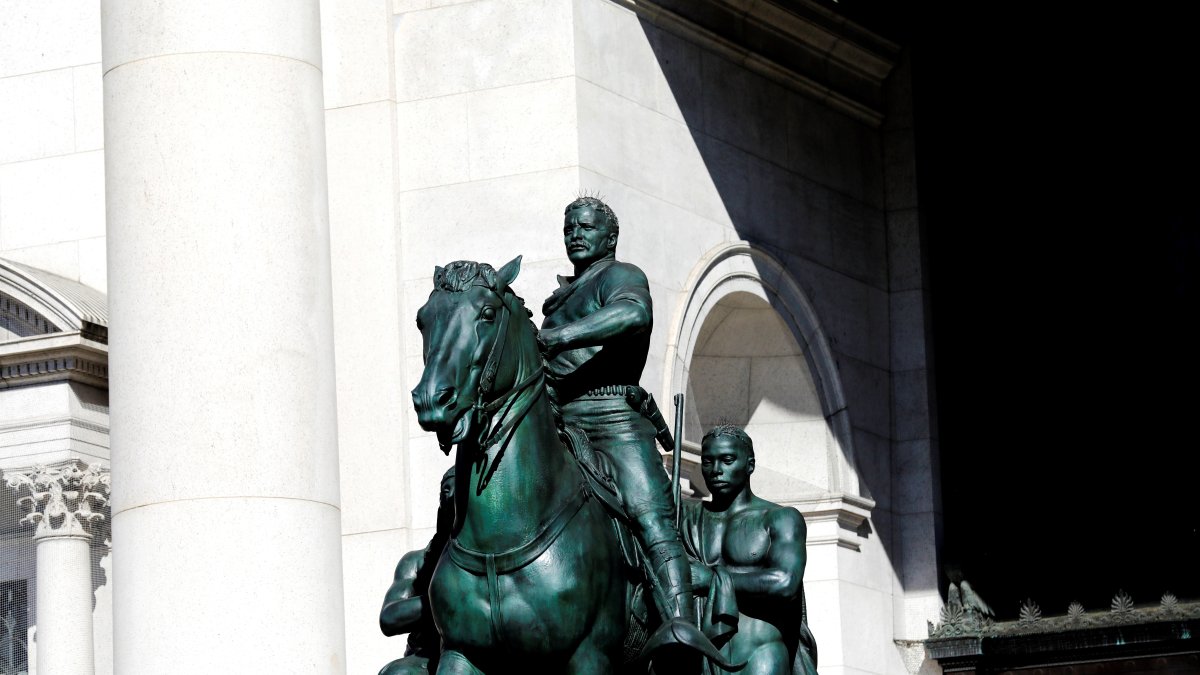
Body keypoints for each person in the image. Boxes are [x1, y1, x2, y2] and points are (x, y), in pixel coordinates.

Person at [538, 196, 694, 623]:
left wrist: (557, 337)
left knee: (652, 520)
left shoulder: (621, 275)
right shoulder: (558, 300)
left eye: (586, 227)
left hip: (614, 418)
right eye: (569, 228)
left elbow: (634, 313)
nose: (575, 234)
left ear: (610, 238)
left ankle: (682, 629)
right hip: (561, 420)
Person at [680, 425, 818, 675]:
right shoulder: (685, 515)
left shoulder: (779, 518)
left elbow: (785, 582)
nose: (716, 470)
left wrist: (711, 580)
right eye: (708, 462)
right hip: (699, 658)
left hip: (760, 657)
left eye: (727, 460)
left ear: (750, 465)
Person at [378, 467, 455, 675]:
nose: (451, 497)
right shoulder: (415, 562)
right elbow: (389, 617)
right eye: (446, 491)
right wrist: (446, 602)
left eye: (459, 490)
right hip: (426, 656)